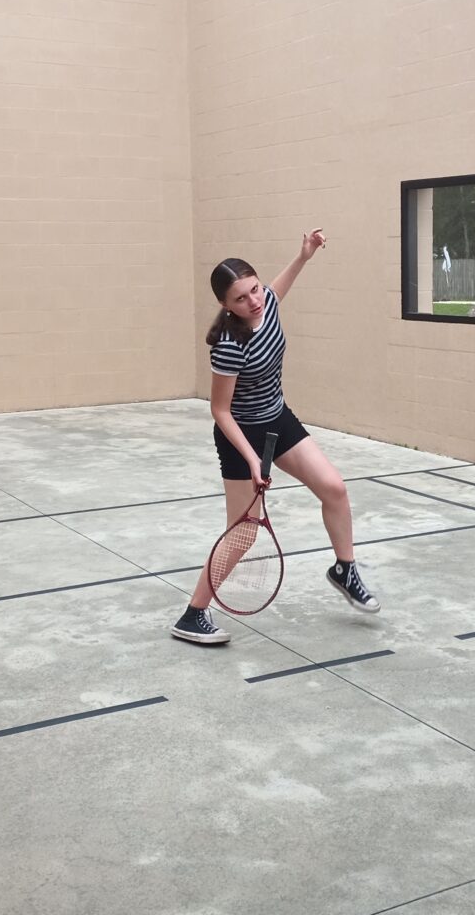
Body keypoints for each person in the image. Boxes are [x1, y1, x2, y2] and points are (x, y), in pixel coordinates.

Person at [171, 229, 380, 645]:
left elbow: (279, 287)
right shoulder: (229, 344)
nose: (254, 300)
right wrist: (252, 459)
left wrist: (303, 256)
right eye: (241, 298)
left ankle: (344, 569)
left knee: (334, 489)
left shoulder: (266, 302)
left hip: (277, 419)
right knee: (243, 533)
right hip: (240, 434)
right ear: (225, 306)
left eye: (254, 289)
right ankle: (193, 614)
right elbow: (220, 410)